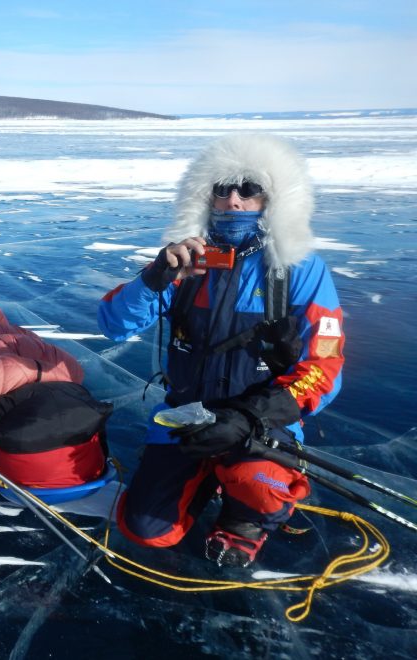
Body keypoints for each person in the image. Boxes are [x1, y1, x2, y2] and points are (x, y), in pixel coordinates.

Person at [98, 133, 345, 567]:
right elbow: (113, 325)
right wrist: (153, 278)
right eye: (222, 188)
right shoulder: (185, 262)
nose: (234, 200)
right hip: (188, 415)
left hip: (261, 423)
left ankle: (249, 509)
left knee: (258, 488)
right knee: (146, 530)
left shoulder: (298, 269)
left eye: (249, 189)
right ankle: (208, 476)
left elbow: (325, 367)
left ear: (271, 198)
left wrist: (250, 416)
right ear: (204, 196)